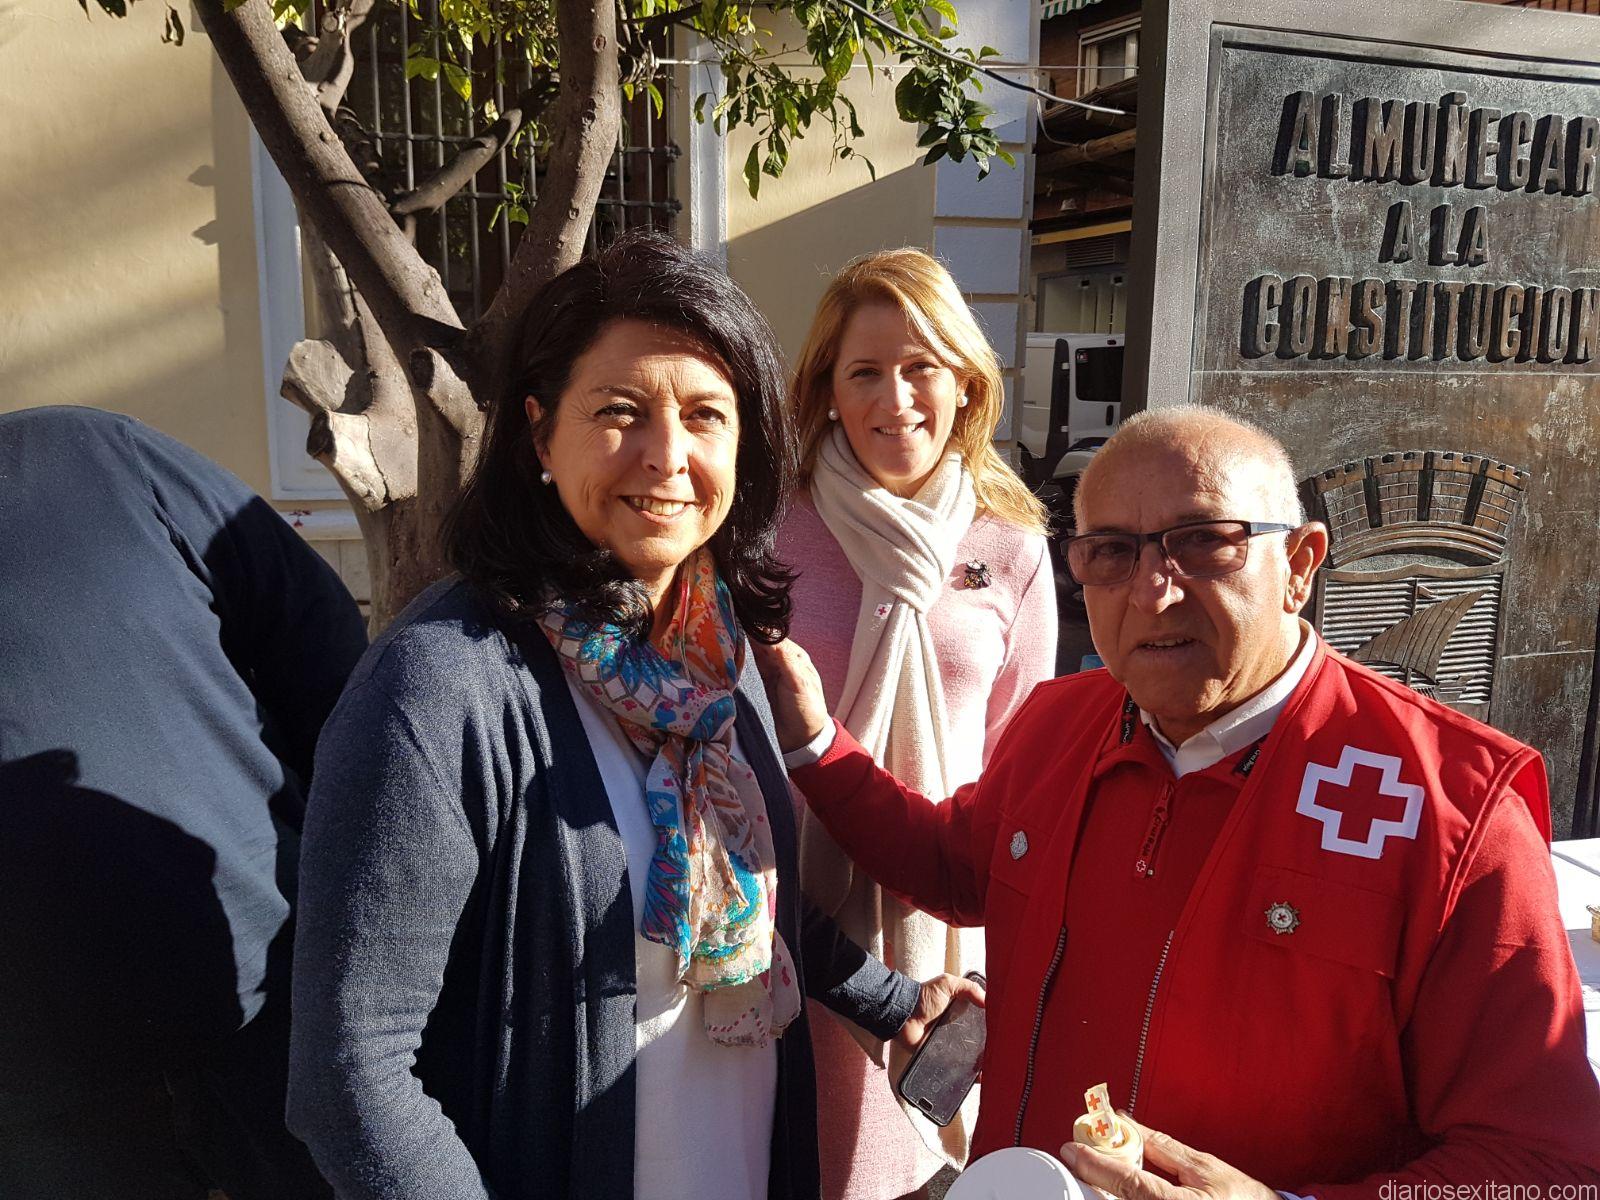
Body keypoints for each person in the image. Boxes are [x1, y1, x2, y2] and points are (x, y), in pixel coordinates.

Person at [286, 233, 979, 1200]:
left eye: (705, 415)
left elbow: (755, 895)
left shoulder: (714, 656)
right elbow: (352, 1073)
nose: (667, 456)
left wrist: (896, 1002)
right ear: (538, 436)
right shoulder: (440, 686)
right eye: (620, 412)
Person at [757, 406, 1600, 1195]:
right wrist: (813, 741)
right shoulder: (1058, 722)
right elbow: (952, 866)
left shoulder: (1456, 808)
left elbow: (1546, 1166)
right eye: (1111, 553)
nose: (1152, 591)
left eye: (1203, 543)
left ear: (1299, 565)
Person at [0, 406, 367, 1200]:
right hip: (40, 1103)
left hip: (268, 1004)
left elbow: (318, 639)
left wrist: (346, 859)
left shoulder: (91, 454)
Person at [776, 248, 1056, 1199]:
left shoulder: (1012, 545)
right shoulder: (768, 530)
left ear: (966, 382)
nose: (895, 398)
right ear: (827, 389)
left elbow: (1021, 761)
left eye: (921, 366)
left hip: (943, 925)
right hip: (788, 922)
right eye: (865, 371)